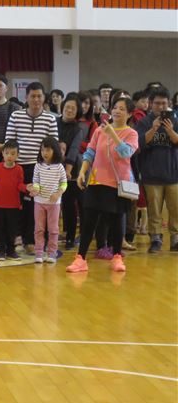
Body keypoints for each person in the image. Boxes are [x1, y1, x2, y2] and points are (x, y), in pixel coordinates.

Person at [67, 97, 139, 273]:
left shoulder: (131, 133)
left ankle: (117, 257)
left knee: (117, 220)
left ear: (130, 114)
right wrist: (82, 172)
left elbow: (126, 153)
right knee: (89, 220)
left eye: (122, 109)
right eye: (115, 107)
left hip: (118, 183)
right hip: (96, 180)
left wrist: (112, 133)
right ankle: (80, 258)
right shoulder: (99, 130)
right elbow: (90, 153)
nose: (117, 111)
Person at [4, 81, 59, 254]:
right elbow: (9, 142)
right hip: (18, 167)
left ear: (44, 98)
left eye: (39, 96)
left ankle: (30, 240)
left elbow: (53, 146)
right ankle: (15, 237)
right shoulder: (16, 116)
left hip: (39, 169)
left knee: (35, 206)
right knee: (16, 204)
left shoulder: (50, 119)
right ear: (26, 97)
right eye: (32, 96)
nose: (36, 99)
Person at [135, 87, 178, 253]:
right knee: (154, 210)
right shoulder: (144, 122)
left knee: (175, 209)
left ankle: (175, 238)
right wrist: (153, 129)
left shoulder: (175, 119)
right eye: (157, 103)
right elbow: (138, 144)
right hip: (151, 174)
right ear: (151, 104)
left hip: (173, 173)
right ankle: (155, 238)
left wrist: (170, 131)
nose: (161, 107)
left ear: (169, 104)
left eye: (164, 103)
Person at [30, 136, 68, 263]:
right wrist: (35, 189)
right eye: (42, 150)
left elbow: (64, 183)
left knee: (53, 229)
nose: (44, 153)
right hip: (39, 202)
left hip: (54, 204)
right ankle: (39, 253)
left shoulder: (59, 167)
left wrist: (58, 193)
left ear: (54, 151)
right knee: (39, 229)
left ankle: (52, 253)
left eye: (47, 150)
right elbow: (36, 181)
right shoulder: (38, 166)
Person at [59, 93, 89, 250]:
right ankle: (67, 236)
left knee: (78, 205)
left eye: (73, 108)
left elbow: (74, 150)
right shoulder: (54, 123)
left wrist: (67, 171)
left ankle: (79, 237)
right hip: (55, 168)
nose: (69, 110)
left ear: (77, 112)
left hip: (74, 171)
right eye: (67, 107)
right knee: (66, 205)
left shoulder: (78, 129)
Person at [0, 139, 26, 260]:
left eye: (12, 153)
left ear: (17, 155)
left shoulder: (19, 169)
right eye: (7, 153)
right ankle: (0, 250)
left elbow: (20, 184)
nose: (9, 156)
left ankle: (11, 250)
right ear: (2, 154)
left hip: (13, 205)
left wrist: (27, 188)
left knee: (12, 229)